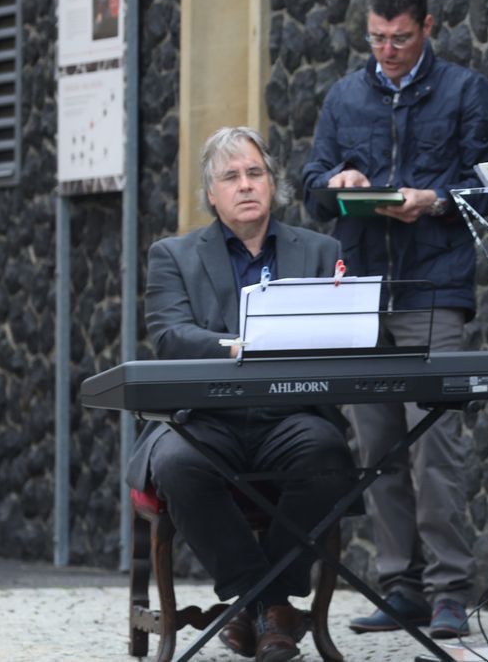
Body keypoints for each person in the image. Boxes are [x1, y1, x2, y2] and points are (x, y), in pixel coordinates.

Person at [302, 0, 488, 639]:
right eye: (377, 38)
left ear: (427, 30)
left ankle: (450, 590)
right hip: (359, 291)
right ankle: (402, 587)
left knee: (437, 446)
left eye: (400, 38)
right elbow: (311, 186)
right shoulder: (342, 97)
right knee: (379, 447)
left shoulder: (466, 92)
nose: (387, 50)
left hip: (434, 293)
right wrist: (339, 184)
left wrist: (435, 200)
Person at [129, 126, 357, 662]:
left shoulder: (322, 251)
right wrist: (240, 347)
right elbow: (170, 335)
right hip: (204, 416)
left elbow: (342, 330)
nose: (245, 185)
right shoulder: (173, 255)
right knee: (179, 464)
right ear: (211, 194)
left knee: (328, 453)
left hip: (290, 414)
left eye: (255, 173)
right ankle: (272, 609)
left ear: (272, 184)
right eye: (230, 177)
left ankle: (254, 609)